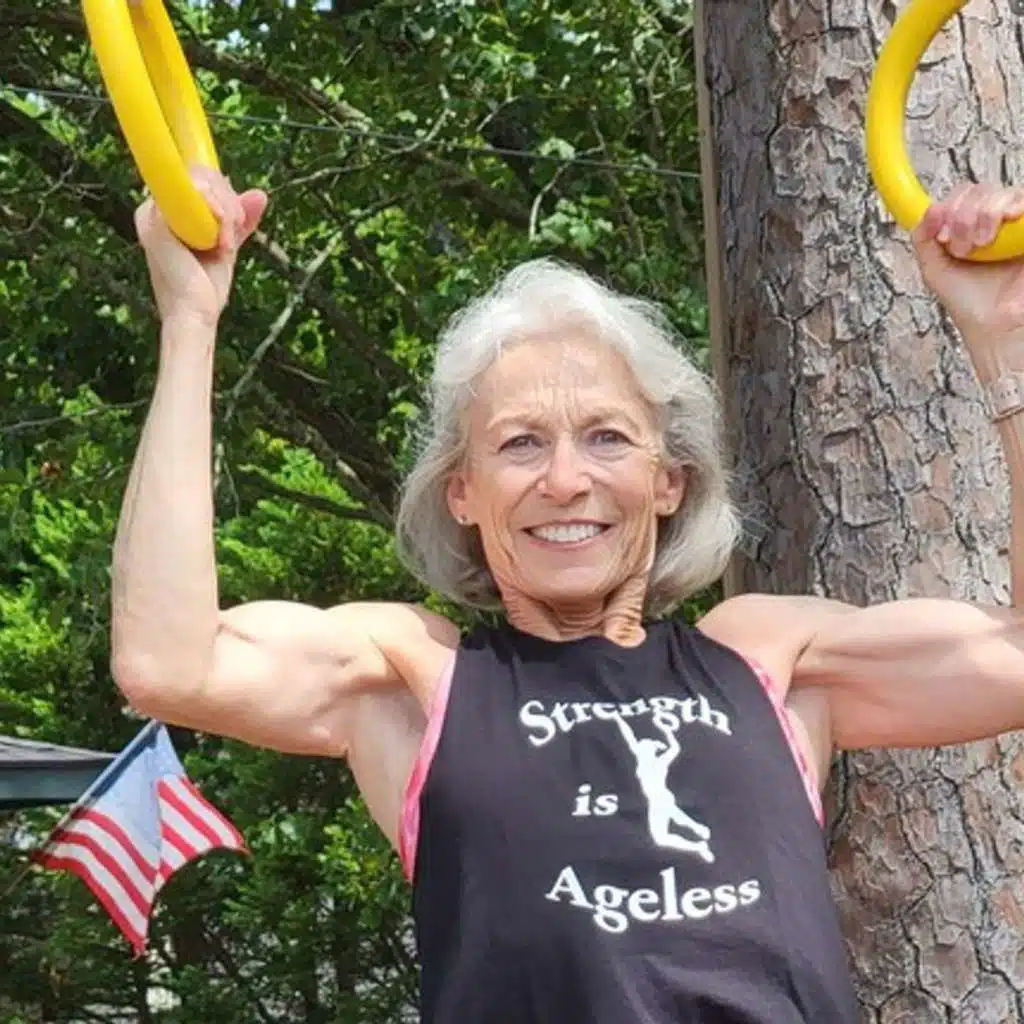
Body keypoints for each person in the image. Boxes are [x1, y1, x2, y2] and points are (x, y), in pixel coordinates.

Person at [112, 170, 1024, 1023]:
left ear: (669, 480)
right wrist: (190, 323)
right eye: (518, 444)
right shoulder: (415, 680)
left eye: (606, 438)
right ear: (461, 492)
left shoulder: (765, 659)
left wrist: (1008, 339)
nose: (564, 480)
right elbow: (168, 661)